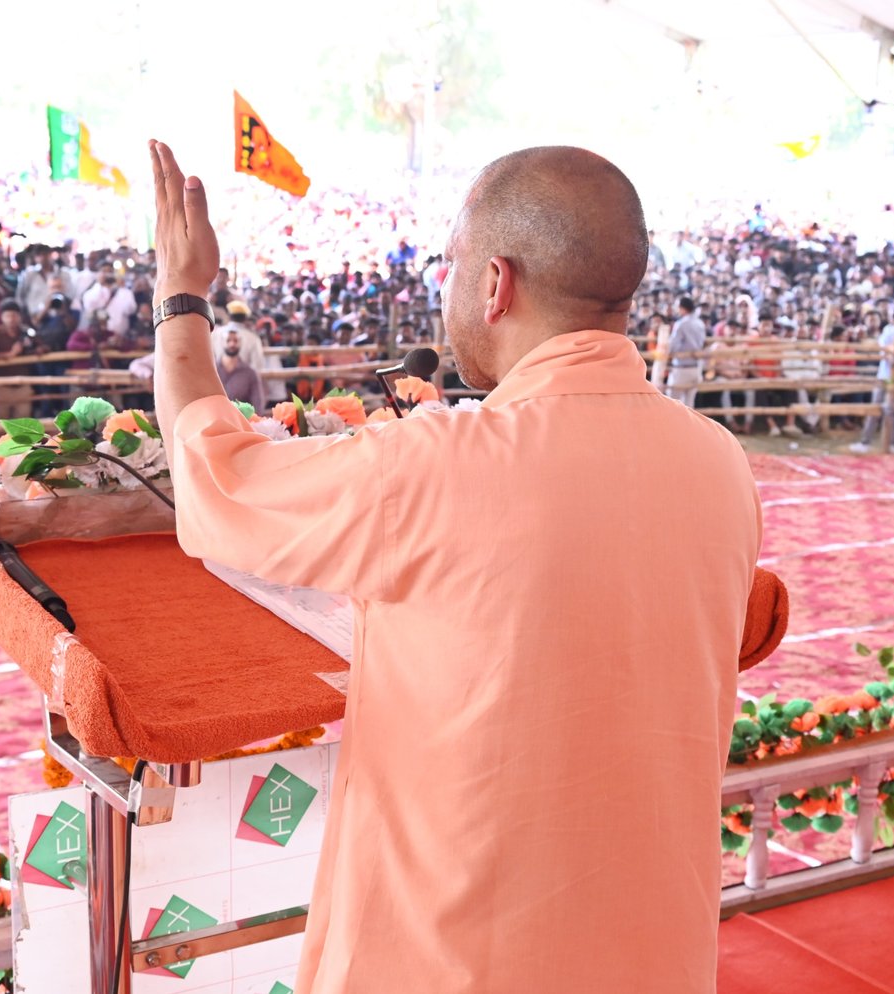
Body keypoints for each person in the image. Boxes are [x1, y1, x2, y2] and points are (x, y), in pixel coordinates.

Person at [150, 140, 760, 993]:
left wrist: (180, 298)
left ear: (495, 284)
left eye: (449, 265)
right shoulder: (719, 461)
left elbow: (212, 479)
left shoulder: (438, 463)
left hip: (456, 960)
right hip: (655, 954)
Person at [849, 317, 894, 453]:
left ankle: (891, 443)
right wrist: (888, 355)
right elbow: (882, 349)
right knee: (876, 409)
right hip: (884, 376)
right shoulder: (888, 332)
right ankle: (866, 442)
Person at [664, 295, 705, 408]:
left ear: (682, 308)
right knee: (689, 404)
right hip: (696, 367)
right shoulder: (700, 323)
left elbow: (673, 346)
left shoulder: (681, 324)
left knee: (672, 403)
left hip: (681, 368)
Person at [215, 328, 266, 410]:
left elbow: (258, 404)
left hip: (240, 420)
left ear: (240, 343)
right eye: (228, 340)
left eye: (235, 341)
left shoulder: (250, 373)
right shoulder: (212, 370)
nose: (232, 344)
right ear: (222, 342)